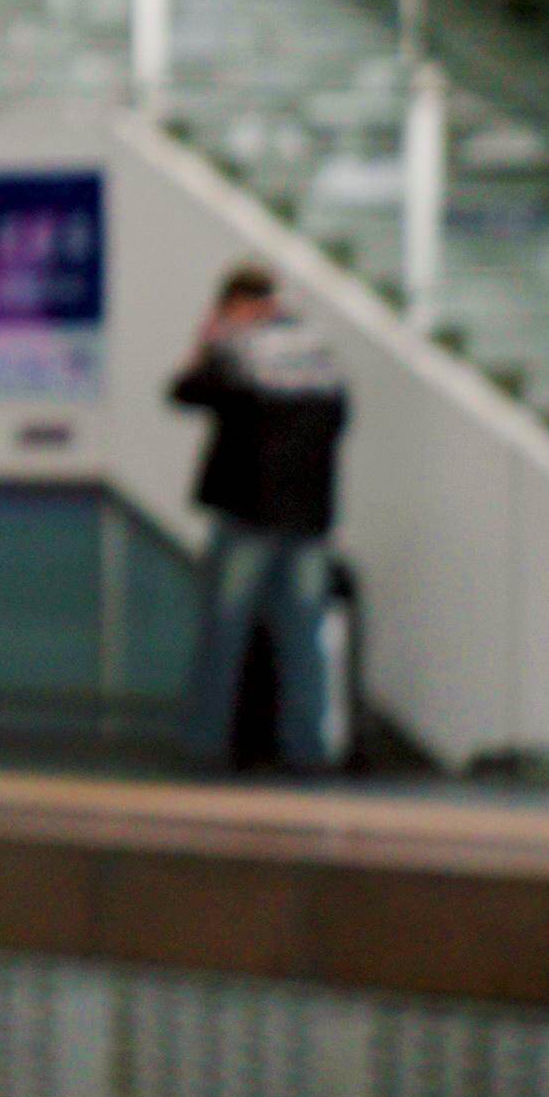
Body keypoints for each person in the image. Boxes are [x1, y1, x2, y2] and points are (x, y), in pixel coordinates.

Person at [171, 267, 351, 774]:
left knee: (223, 633)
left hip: (247, 514)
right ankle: (307, 750)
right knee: (303, 636)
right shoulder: (318, 351)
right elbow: (339, 422)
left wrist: (209, 342)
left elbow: (185, 392)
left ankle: (206, 744)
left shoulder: (237, 350)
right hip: (309, 517)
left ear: (235, 306)